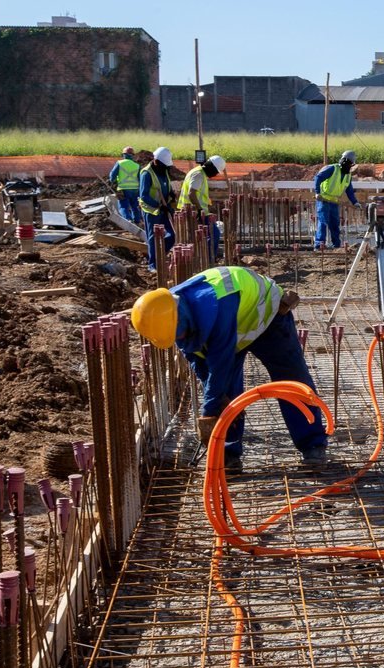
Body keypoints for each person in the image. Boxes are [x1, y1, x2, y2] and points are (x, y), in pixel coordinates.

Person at [130, 266, 326, 470]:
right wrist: (215, 397)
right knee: (225, 393)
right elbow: (198, 360)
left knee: (292, 382)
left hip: (267, 316)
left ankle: (312, 445)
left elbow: (220, 358)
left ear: (179, 318)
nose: (177, 339)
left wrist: (209, 409)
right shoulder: (170, 315)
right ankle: (229, 454)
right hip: (235, 330)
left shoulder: (215, 304)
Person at [178, 155, 226, 261]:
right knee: (214, 234)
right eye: (216, 171)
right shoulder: (199, 174)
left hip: (195, 210)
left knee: (204, 235)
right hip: (194, 211)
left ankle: (205, 259)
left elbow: (198, 193)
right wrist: (200, 210)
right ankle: (208, 260)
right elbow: (192, 193)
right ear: (211, 167)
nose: (215, 174)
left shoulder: (198, 172)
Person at [138, 146, 176, 271]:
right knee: (153, 237)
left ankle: (160, 254)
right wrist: (158, 205)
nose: (166, 168)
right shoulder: (146, 173)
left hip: (165, 207)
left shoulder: (163, 170)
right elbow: (143, 195)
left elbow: (166, 185)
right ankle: (152, 264)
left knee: (173, 234)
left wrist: (171, 193)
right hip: (151, 210)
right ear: (156, 161)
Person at [313, 150, 359, 250]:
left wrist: (355, 202)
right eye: (350, 164)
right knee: (323, 222)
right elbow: (318, 177)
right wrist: (317, 192)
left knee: (334, 224)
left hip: (334, 202)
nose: (351, 167)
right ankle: (319, 245)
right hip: (324, 200)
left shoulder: (348, 175)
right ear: (345, 162)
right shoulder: (331, 169)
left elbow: (349, 190)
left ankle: (336, 245)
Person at [108, 146, 142, 225]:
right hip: (135, 190)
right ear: (132, 155)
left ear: (124, 155)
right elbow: (140, 179)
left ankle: (128, 220)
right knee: (135, 207)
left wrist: (113, 180)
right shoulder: (137, 166)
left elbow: (112, 176)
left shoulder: (119, 163)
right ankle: (137, 221)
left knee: (123, 207)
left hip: (123, 189)